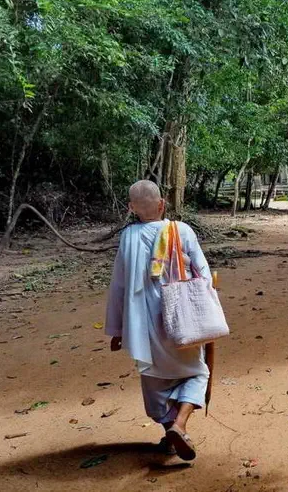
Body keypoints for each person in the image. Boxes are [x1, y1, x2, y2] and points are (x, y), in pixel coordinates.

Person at [105, 180, 210, 461]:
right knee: (198, 373)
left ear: (131, 208)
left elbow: (119, 286)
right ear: (163, 204)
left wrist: (117, 329)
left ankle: (171, 432)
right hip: (183, 320)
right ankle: (180, 425)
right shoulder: (182, 230)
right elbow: (204, 275)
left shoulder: (127, 237)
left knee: (155, 388)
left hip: (143, 328)